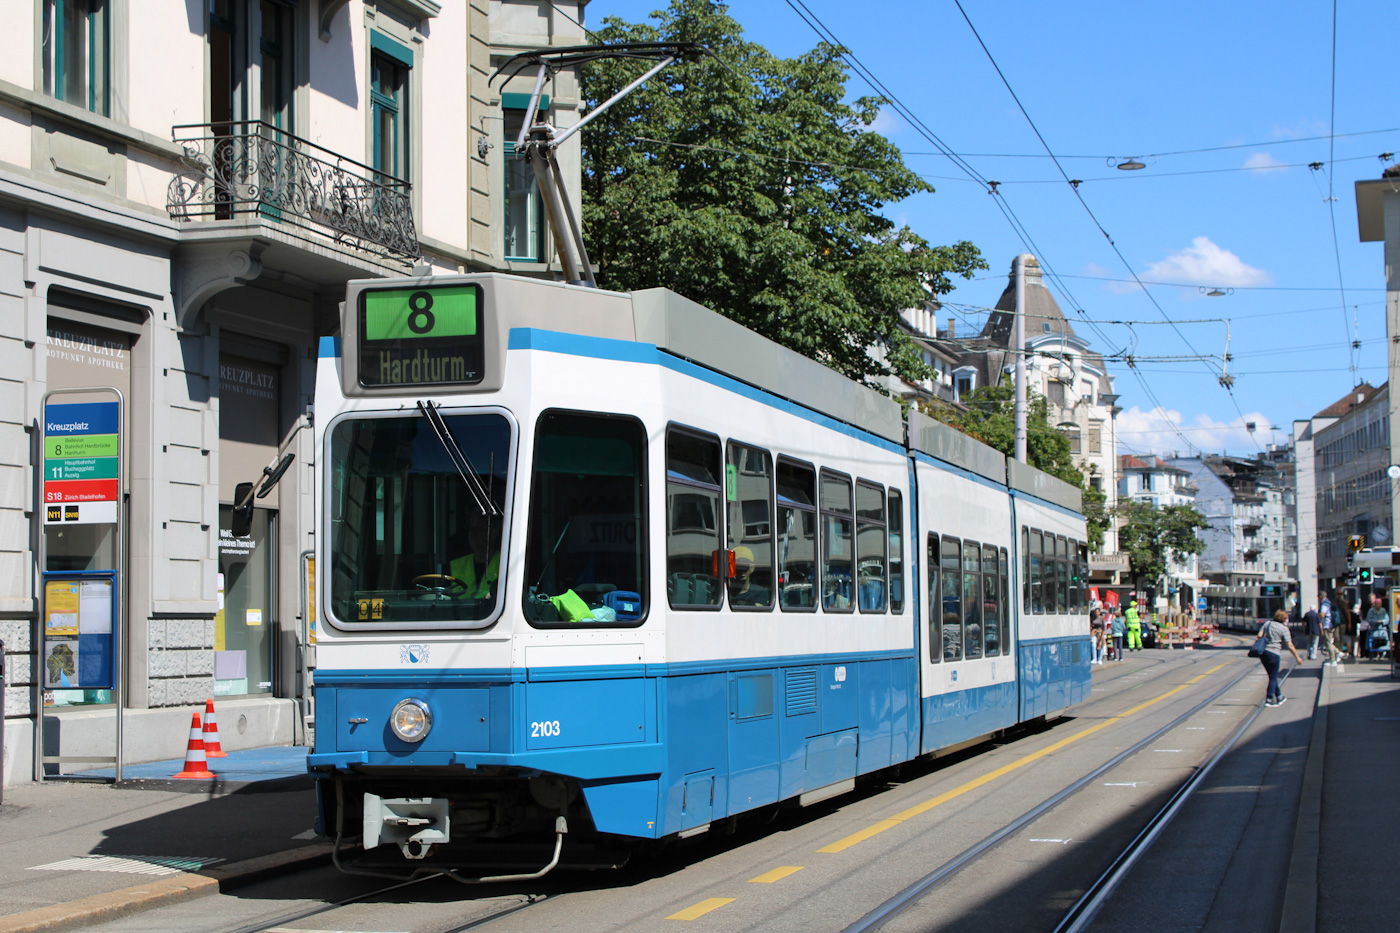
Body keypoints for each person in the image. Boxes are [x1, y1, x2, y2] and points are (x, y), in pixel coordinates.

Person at [448, 510, 501, 599]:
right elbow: (443, 594)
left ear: (492, 533)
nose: (471, 533)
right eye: (470, 529)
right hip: (460, 612)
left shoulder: (505, 563)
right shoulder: (456, 565)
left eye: (478, 528)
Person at [1259, 609, 1303, 707]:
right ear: (1284, 619)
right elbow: (1289, 645)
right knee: (1274, 677)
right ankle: (1269, 698)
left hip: (1264, 653)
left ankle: (1279, 696)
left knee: (1272, 676)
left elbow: (1259, 635)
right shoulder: (1284, 629)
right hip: (1274, 653)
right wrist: (1297, 657)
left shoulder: (1267, 624)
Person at [1364, 594, 1390, 660]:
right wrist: (1374, 621)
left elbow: (1387, 619)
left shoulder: (1383, 610)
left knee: (1384, 640)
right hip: (1374, 629)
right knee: (1373, 641)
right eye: (1377, 603)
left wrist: (1382, 621)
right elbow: (1368, 619)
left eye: (1380, 604)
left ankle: (1382, 653)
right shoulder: (1371, 611)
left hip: (1382, 629)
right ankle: (1374, 654)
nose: (1379, 605)